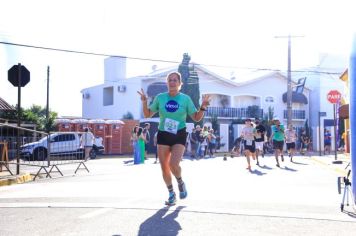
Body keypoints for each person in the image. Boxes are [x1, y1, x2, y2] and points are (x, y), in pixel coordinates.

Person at [137, 71, 211, 206]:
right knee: (164, 166)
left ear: (180, 84)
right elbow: (147, 114)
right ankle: (171, 193)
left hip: (179, 133)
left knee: (174, 164)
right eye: (170, 80)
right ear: (167, 83)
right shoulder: (160, 98)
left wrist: (203, 107)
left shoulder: (185, 99)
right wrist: (144, 101)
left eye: (175, 80)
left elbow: (196, 118)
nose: (172, 82)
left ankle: (180, 182)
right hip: (163, 133)